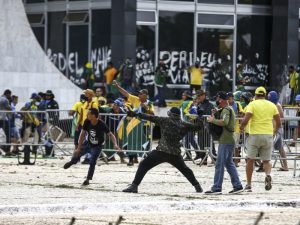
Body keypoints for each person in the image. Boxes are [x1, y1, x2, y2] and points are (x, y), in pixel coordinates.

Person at [122, 107, 204, 193]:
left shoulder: (165, 120)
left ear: (170, 114)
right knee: (185, 170)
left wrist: (135, 114)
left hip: (161, 152)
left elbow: (150, 117)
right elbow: (198, 127)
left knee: (143, 165)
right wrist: (200, 116)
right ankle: (197, 186)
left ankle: (134, 186)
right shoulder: (184, 124)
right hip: (175, 153)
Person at [64, 108, 121, 186]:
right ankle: (72, 162)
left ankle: (87, 179)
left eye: (88, 114)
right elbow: (82, 134)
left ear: (93, 115)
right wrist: (78, 147)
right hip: (88, 143)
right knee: (76, 156)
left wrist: (115, 144)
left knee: (92, 162)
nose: (87, 115)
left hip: (97, 146)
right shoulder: (87, 121)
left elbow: (110, 134)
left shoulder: (101, 124)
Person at [240, 86, 281, 192]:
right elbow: (278, 122)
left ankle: (249, 184)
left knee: (250, 160)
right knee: (266, 161)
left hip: (254, 135)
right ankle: (268, 174)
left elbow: (246, 118)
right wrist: (274, 131)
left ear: (256, 95)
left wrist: (241, 128)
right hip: (268, 134)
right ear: (265, 95)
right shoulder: (272, 105)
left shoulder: (252, 104)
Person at [205, 92, 243, 195]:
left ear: (221, 99)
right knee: (228, 163)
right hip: (228, 139)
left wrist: (213, 120)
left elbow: (225, 122)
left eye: (218, 99)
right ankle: (237, 185)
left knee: (219, 164)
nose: (217, 101)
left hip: (226, 140)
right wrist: (215, 114)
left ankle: (217, 187)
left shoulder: (226, 109)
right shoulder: (226, 109)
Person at [113, 80, 154, 166]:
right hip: (134, 125)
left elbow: (152, 114)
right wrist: (117, 87)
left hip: (145, 126)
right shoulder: (136, 100)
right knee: (132, 142)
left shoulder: (150, 103)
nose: (138, 95)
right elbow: (126, 94)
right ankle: (131, 160)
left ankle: (145, 160)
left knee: (145, 143)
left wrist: (147, 108)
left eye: (141, 94)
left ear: (145, 95)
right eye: (138, 94)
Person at [268, 91, 289, 171]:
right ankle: (284, 166)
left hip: (277, 129)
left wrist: (276, 128)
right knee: (279, 148)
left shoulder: (277, 105)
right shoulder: (272, 105)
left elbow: (282, 118)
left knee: (278, 148)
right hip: (273, 128)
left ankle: (285, 166)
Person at [196, 90, 215, 163]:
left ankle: (214, 158)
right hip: (200, 127)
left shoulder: (209, 104)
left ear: (204, 95)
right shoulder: (198, 104)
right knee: (201, 143)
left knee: (209, 143)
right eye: (198, 96)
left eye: (200, 95)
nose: (198, 97)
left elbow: (208, 115)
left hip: (207, 127)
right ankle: (203, 159)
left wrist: (201, 115)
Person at [0, 89, 12, 154]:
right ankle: (7, 150)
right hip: (3, 119)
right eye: (10, 95)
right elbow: (9, 108)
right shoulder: (5, 99)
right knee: (8, 134)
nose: (10, 96)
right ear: (7, 94)